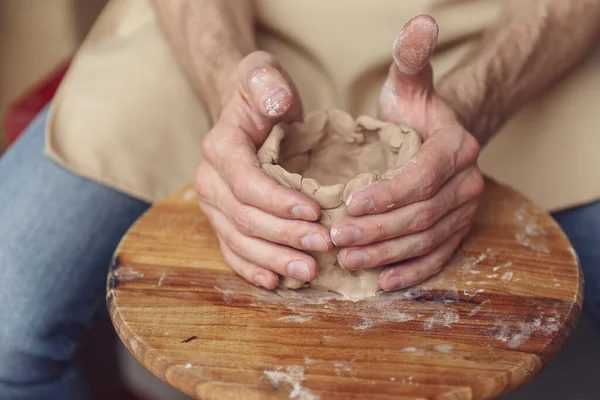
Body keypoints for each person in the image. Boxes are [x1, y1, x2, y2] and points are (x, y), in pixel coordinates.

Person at [1, 0, 599, 398]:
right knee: (8, 329)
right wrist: (221, 80)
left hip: (505, 33)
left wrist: (480, 100)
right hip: (231, 25)